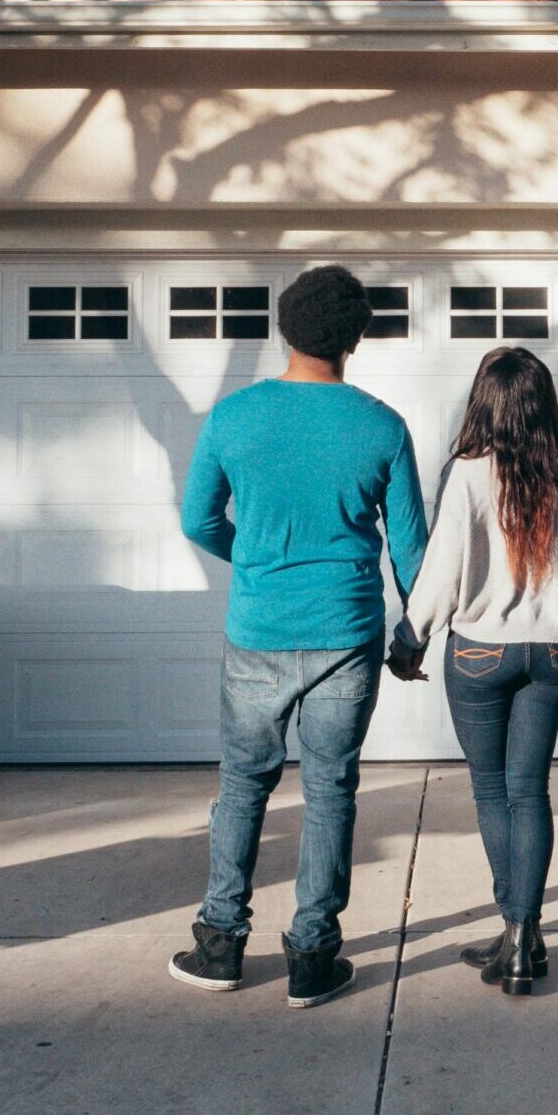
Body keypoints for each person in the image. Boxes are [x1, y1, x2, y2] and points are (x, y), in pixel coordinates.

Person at [171, 265, 428, 1008]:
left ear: (285, 329)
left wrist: (250, 558)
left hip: (258, 630)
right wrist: (414, 634)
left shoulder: (234, 417)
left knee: (243, 787)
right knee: (330, 790)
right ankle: (314, 956)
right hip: (346, 635)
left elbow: (197, 520)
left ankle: (220, 943)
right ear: (355, 337)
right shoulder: (381, 425)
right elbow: (412, 552)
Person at [390, 345, 558, 996]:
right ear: (544, 405)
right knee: (528, 792)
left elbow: (442, 570)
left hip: (480, 653)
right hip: (552, 654)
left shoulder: (471, 472)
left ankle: (515, 932)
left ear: (485, 403)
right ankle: (521, 935)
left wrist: (409, 638)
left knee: (491, 793)